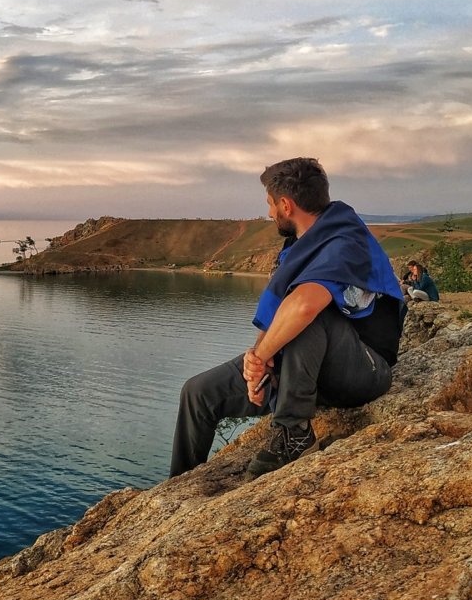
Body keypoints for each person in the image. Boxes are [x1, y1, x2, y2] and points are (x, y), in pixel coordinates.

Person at [169, 158, 405, 479]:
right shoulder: (297, 248)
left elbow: (304, 308)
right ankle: (181, 483)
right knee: (198, 393)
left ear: (285, 204)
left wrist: (261, 357)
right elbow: (276, 314)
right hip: (305, 368)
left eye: (269, 204)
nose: (269, 214)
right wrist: (257, 365)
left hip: (364, 369)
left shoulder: (345, 242)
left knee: (309, 314)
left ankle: (293, 431)